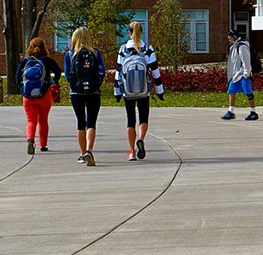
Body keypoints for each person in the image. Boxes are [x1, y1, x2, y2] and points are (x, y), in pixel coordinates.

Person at [114, 20, 164, 159]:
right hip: (144, 90)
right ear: (141, 32)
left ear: (129, 33)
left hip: (127, 91)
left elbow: (118, 71)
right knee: (143, 118)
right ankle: (141, 138)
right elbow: (155, 71)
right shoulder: (148, 49)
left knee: (130, 120)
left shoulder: (123, 49)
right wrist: (160, 91)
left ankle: (131, 151)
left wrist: (117, 92)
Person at [63, 26, 106, 166]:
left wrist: (75, 84)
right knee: (91, 122)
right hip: (93, 92)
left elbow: (68, 75)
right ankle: (89, 150)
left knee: (80, 122)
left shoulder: (69, 55)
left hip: (76, 93)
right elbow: (101, 72)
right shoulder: (96, 54)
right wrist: (95, 84)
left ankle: (82, 154)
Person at [17, 36, 61, 155]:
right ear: (43, 48)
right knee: (43, 121)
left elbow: (17, 77)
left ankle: (30, 140)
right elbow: (57, 71)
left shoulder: (25, 61)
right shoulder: (47, 60)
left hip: (28, 97)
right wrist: (52, 81)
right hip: (44, 94)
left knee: (31, 121)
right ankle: (43, 145)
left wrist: (23, 89)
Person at [221, 29, 258, 120]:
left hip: (243, 75)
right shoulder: (234, 47)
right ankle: (231, 112)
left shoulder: (241, 47)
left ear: (235, 37)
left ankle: (253, 112)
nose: (229, 40)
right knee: (231, 91)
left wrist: (246, 74)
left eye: (230, 38)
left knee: (249, 93)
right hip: (236, 75)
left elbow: (246, 61)